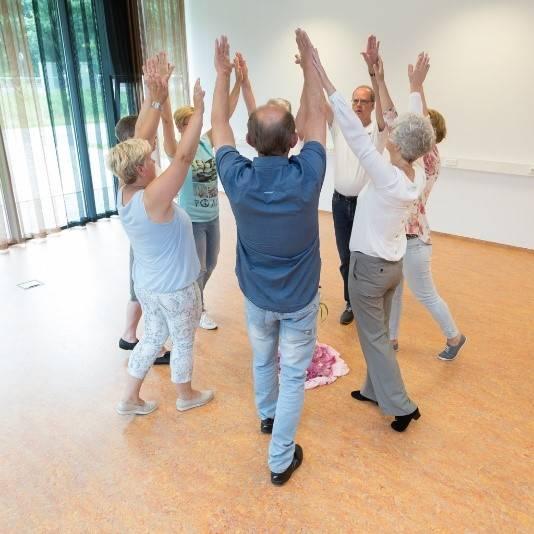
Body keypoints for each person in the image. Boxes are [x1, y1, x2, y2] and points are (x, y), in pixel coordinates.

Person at [211, 31, 326, 485]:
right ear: (294, 139)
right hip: (297, 301)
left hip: (257, 297)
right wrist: (311, 68)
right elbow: (316, 115)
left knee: (262, 358)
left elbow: (219, 123)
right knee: (292, 375)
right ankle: (280, 458)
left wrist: (223, 77)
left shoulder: (237, 178)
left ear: (249, 140)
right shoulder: (308, 176)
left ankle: (266, 415)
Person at [312, 46, 435, 432]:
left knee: (375, 339)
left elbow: (353, 129)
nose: (391, 132)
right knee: (375, 332)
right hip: (390, 268)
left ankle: (401, 405)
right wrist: (412, 87)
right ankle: (372, 389)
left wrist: (320, 69)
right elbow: (412, 126)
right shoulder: (412, 177)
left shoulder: (386, 175)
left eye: (395, 134)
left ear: (398, 145)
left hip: (369, 270)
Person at [107, 55, 213, 416]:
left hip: (149, 287)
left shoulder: (126, 192)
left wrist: (156, 97)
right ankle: (186, 394)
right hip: (176, 289)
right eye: (149, 160)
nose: (154, 159)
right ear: (140, 168)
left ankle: (130, 398)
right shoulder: (154, 198)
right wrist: (198, 112)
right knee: (183, 339)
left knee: (152, 336)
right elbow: (183, 159)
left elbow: (142, 137)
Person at [161, 58, 242, 330]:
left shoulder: (207, 142)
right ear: (181, 127)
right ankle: (198, 308)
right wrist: (163, 95)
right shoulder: (178, 151)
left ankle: (191, 301)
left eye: (193, 121)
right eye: (185, 123)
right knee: (200, 268)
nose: (190, 127)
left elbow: (226, 113)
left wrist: (238, 81)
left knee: (212, 262)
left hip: (213, 215)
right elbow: (168, 133)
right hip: (192, 219)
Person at [387, 102, 466, 360]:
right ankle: (391, 337)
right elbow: (391, 119)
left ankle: (454, 337)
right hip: (398, 237)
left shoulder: (430, 159)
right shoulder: (412, 159)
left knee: (426, 294)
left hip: (415, 241)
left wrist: (417, 85)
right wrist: (379, 79)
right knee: (395, 291)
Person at [324, 36, 393, 326]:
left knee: (364, 256)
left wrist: (375, 75)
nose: (357, 105)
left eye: (364, 101)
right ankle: (351, 302)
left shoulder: (377, 133)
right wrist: (310, 69)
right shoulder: (340, 127)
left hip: (365, 205)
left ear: (371, 105)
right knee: (345, 257)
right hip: (339, 203)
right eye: (355, 100)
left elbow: (387, 113)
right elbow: (324, 100)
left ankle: (367, 300)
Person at [115, 113, 170, 365]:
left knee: (136, 290)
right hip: (145, 244)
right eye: (151, 137)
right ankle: (153, 347)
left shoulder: (129, 177)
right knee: (146, 293)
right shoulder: (137, 179)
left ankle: (129, 335)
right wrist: (158, 101)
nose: (154, 142)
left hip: (141, 242)